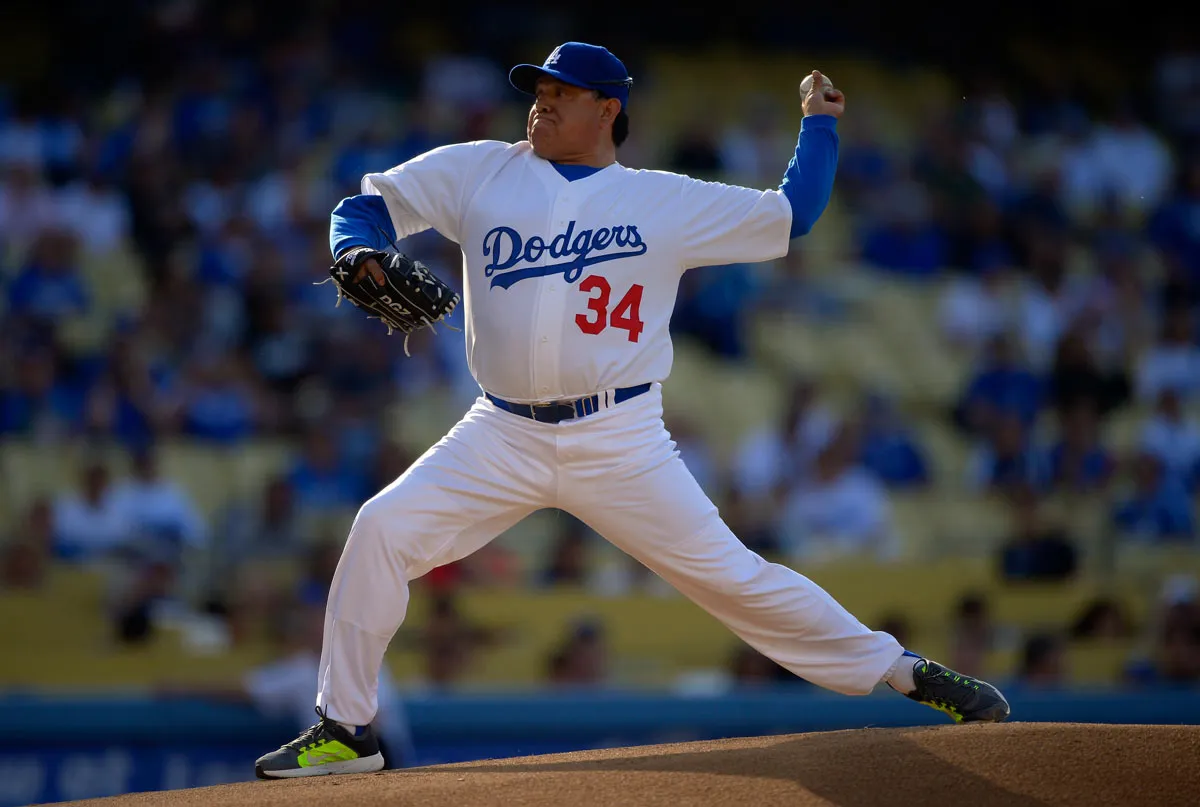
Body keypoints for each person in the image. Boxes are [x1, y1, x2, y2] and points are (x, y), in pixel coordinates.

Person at [255, 42, 1009, 779]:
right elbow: (371, 203)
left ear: (608, 108)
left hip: (618, 436)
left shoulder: (661, 199)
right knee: (380, 528)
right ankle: (347, 728)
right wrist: (356, 250)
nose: (542, 100)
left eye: (562, 91)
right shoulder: (483, 168)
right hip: (501, 430)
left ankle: (901, 669)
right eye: (538, 89)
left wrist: (819, 122)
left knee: (734, 578)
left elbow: (794, 213)